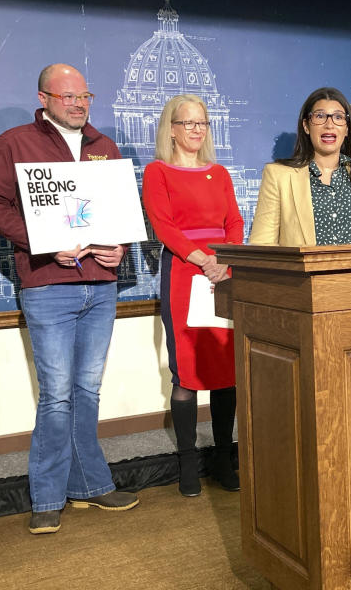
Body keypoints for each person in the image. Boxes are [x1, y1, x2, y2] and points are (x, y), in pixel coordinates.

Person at [0, 63, 139, 535]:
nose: (79, 104)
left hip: (101, 286)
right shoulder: (15, 142)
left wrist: (120, 246)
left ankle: (89, 483)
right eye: (68, 96)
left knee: (87, 391)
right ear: (43, 98)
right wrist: (43, 240)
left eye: (85, 96)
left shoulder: (103, 147)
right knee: (56, 397)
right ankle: (46, 496)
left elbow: (120, 211)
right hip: (48, 285)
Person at [141, 95, 244, 496]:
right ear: (171, 128)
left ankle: (222, 457)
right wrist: (203, 260)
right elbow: (163, 225)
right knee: (186, 369)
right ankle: (187, 459)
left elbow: (234, 219)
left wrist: (225, 259)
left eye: (202, 123)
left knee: (224, 367)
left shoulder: (219, 173)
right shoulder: (157, 171)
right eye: (188, 123)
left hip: (223, 273)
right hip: (185, 272)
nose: (197, 130)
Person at [249, 87, 351, 246]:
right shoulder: (278, 175)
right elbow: (262, 245)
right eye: (320, 116)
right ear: (306, 126)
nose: (329, 125)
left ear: (347, 129)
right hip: (302, 272)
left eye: (338, 117)